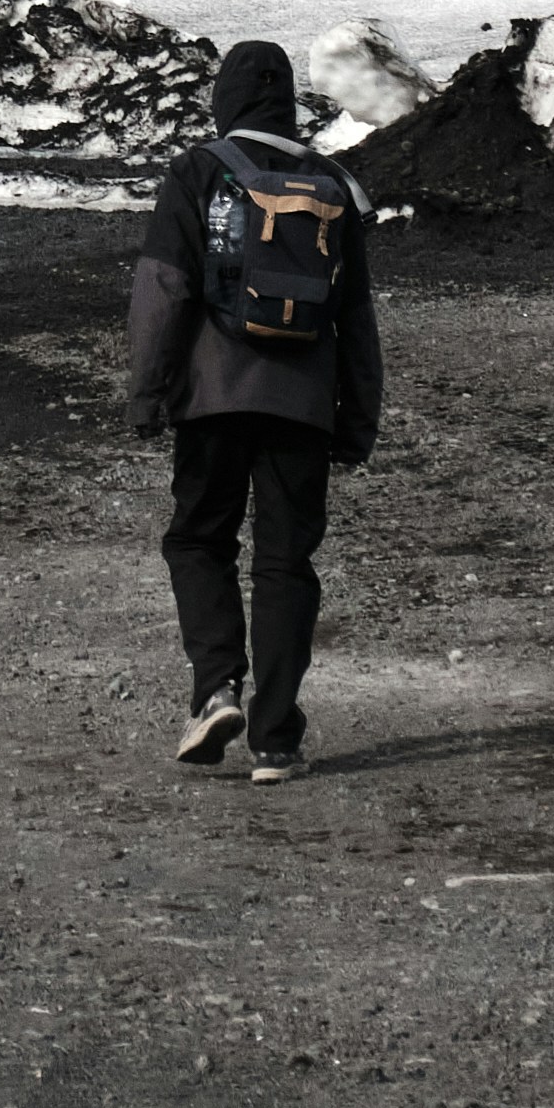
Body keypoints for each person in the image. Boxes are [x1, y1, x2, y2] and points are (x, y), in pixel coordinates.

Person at [128, 40, 383, 778]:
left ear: (225, 99)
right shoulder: (332, 187)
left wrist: (148, 392)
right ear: (288, 102)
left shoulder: (198, 170)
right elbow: (356, 319)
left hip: (210, 397)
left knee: (199, 541)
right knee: (284, 562)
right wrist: (355, 420)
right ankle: (275, 737)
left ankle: (215, 690)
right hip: (301, 408)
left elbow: (163, 289)